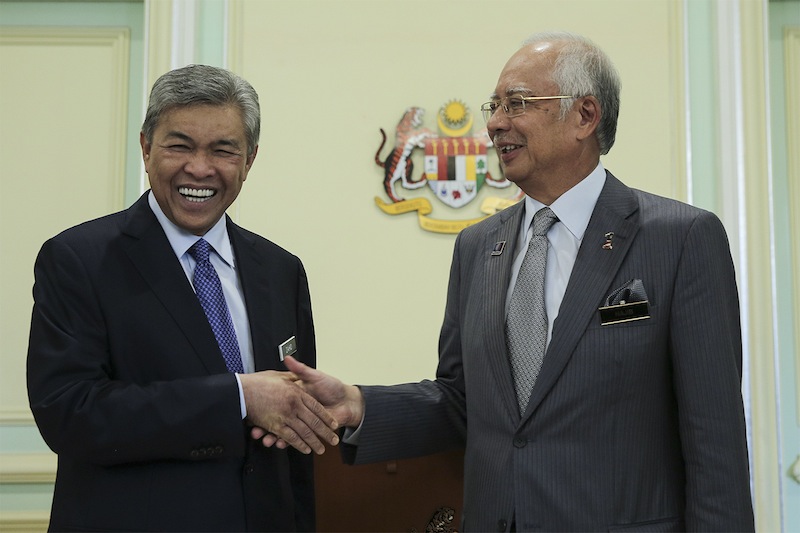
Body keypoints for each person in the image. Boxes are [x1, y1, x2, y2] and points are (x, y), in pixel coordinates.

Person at [258, 32, 756, 531]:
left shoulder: (680, 238)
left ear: (585, 116)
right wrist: (357, 403)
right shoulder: (477, 247)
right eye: (493, 106)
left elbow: (715, 441)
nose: (495, 123)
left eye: (516, 103)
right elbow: (462, 401)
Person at [26, 64, 339, 532]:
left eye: (223, 150)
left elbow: (294, 435)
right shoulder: (78, 259)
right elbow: (70, 414)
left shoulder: (281, 270)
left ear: (249, 160)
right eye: (180, 145)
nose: (200, 167)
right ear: (146, 147)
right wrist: (236, 397)